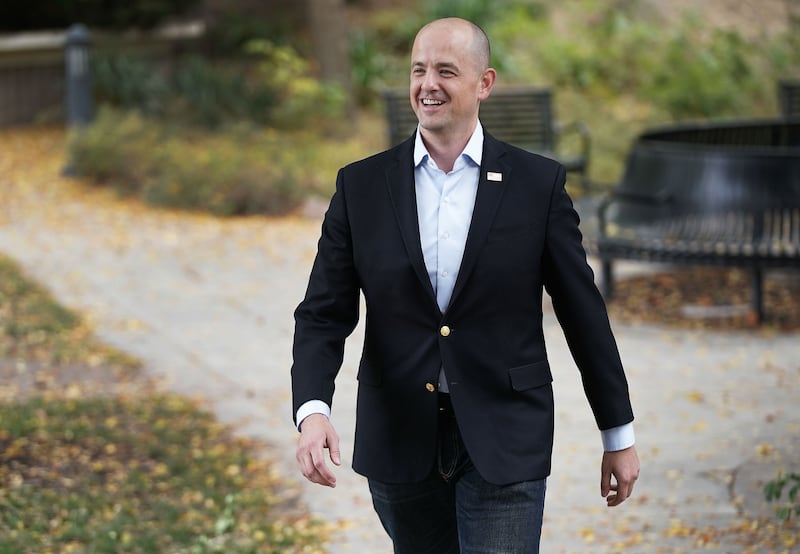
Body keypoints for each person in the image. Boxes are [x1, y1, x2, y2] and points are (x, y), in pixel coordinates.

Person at [291, 17, 639, 553]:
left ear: (484, 83)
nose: (428, 84)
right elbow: (323, 312)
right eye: (419, 70)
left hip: (506, 432)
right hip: (400, 437)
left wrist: (617, 433)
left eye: (446, 71)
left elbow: (582, 312)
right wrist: (313, 411)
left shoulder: (537, 184)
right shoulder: (361, 186)